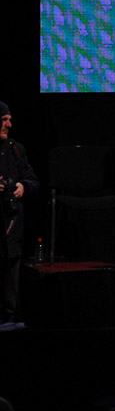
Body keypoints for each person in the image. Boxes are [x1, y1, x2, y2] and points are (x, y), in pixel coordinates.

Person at [0, 104, 38, 323]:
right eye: (3, 119)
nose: (9, 124)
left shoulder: (15, 149)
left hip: (10, 226)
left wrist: (23, 186)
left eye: (9, 119)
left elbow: (33, 181)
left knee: (11, 284)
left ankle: (10, 316)